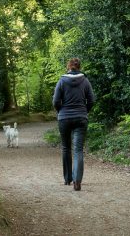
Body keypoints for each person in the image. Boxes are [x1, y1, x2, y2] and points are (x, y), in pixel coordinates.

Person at [52, 57, 96, 191]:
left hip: (64, 118)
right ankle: (77, 181)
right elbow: (92, 100)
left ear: (68, 67)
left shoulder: (61, 81)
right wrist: (84, 111)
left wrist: (61, 112)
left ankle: (67, 179)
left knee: (66, 148)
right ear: (79, 67)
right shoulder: (85, 81)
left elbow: (55, 101)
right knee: (78, 150)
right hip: (81, 118)